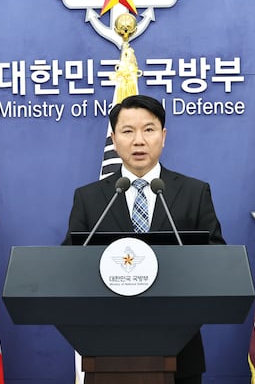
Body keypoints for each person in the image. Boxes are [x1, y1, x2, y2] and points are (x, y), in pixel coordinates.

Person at [63, 94, 226, 384]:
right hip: (107, 349)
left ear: (163, 136)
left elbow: (216, 260)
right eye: (128, 131)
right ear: (114, 140)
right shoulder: (89, 198)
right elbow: (69, 264)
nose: (139, 141)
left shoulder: (194, 192)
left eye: (149, 130)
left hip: (180, 350)